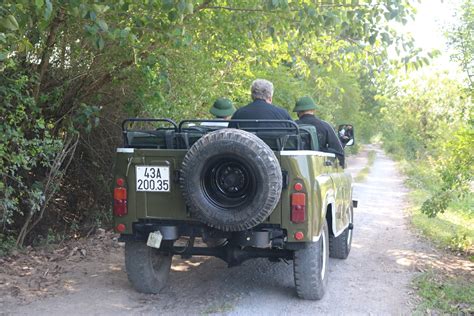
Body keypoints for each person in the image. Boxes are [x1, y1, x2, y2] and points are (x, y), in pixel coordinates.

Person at [293, 96, 345, 167]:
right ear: (314, 110)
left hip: (295, 165)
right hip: (319, 167)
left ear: (298, 112)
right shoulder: (325, 126)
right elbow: (339, 151)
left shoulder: (292, 126)